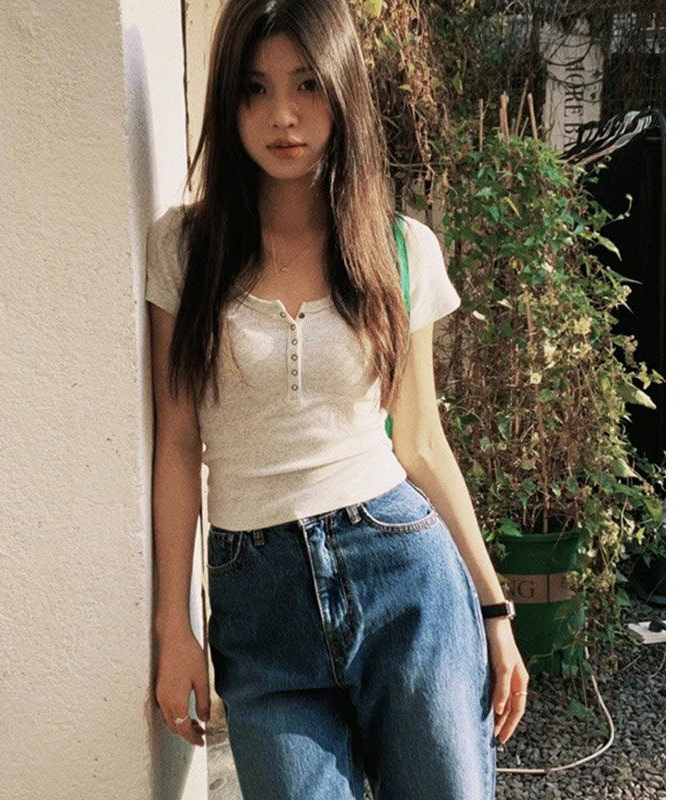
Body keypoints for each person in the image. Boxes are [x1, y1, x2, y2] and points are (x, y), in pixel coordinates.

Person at [147, 1, 528, 798]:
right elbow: (178, 441)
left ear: (343, 90)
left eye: (308, 85)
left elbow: (419, 441)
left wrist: (495, 611)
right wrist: (173, 625)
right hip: (258, 602)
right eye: (255, 89)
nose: (282, 116)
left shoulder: (400, 248)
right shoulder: (186, 248)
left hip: (403, 574)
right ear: (227, 101)